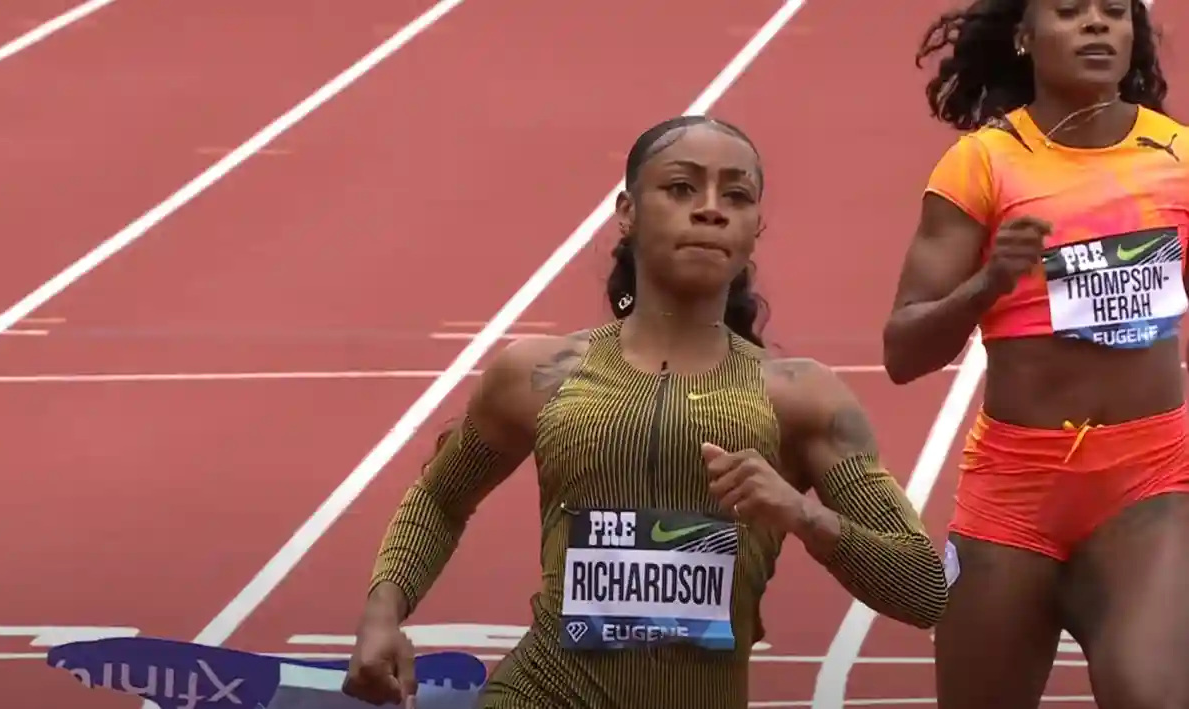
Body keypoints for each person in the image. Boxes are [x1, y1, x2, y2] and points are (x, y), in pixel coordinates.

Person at [342, 115, 948, 709]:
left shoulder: (802, 397)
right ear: (626, 212)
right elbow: (440, 498)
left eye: (735, 196)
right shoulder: (539, 374)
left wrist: (801, 514)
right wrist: (382, 613)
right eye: (681, 188)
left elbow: (925, 587)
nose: (710, 209)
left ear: (754, 226)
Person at [888, 0, 1187, 707]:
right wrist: (989, 283)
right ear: (1024, 37)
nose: (1097, 25)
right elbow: (903, 350)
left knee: (1151, 693)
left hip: (1147, 480)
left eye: (1115, 12)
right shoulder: (983, 164)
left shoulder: (1177, 155)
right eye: (1071, 11)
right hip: (1014, 490)